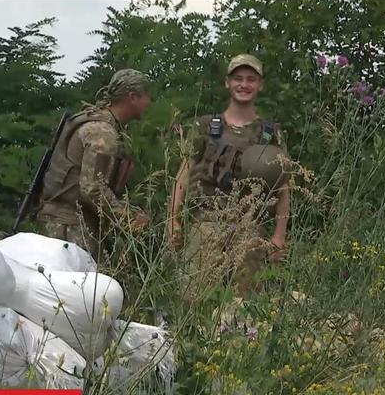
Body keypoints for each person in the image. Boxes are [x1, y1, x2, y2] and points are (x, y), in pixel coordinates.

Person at [167, 54, 292, 301]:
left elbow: (283, 187)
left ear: (260, 85)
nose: (244, 85)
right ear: (227, 83)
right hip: (206, 224)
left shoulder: (270, 133)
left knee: (245, 305)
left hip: (250, 228)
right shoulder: (205, 126)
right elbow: (183, 174)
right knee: (194, 300)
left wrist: (279, 236)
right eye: (238, 79)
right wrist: (173, 219)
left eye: (251, 79)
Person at [37, 69, 152, 258]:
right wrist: (129, 217)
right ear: (132, 97)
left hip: (62, 222)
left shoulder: (95, 121)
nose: (149, 102)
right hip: (70, 227)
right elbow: (92, 189)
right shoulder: (102, 133)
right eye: (146, 96)